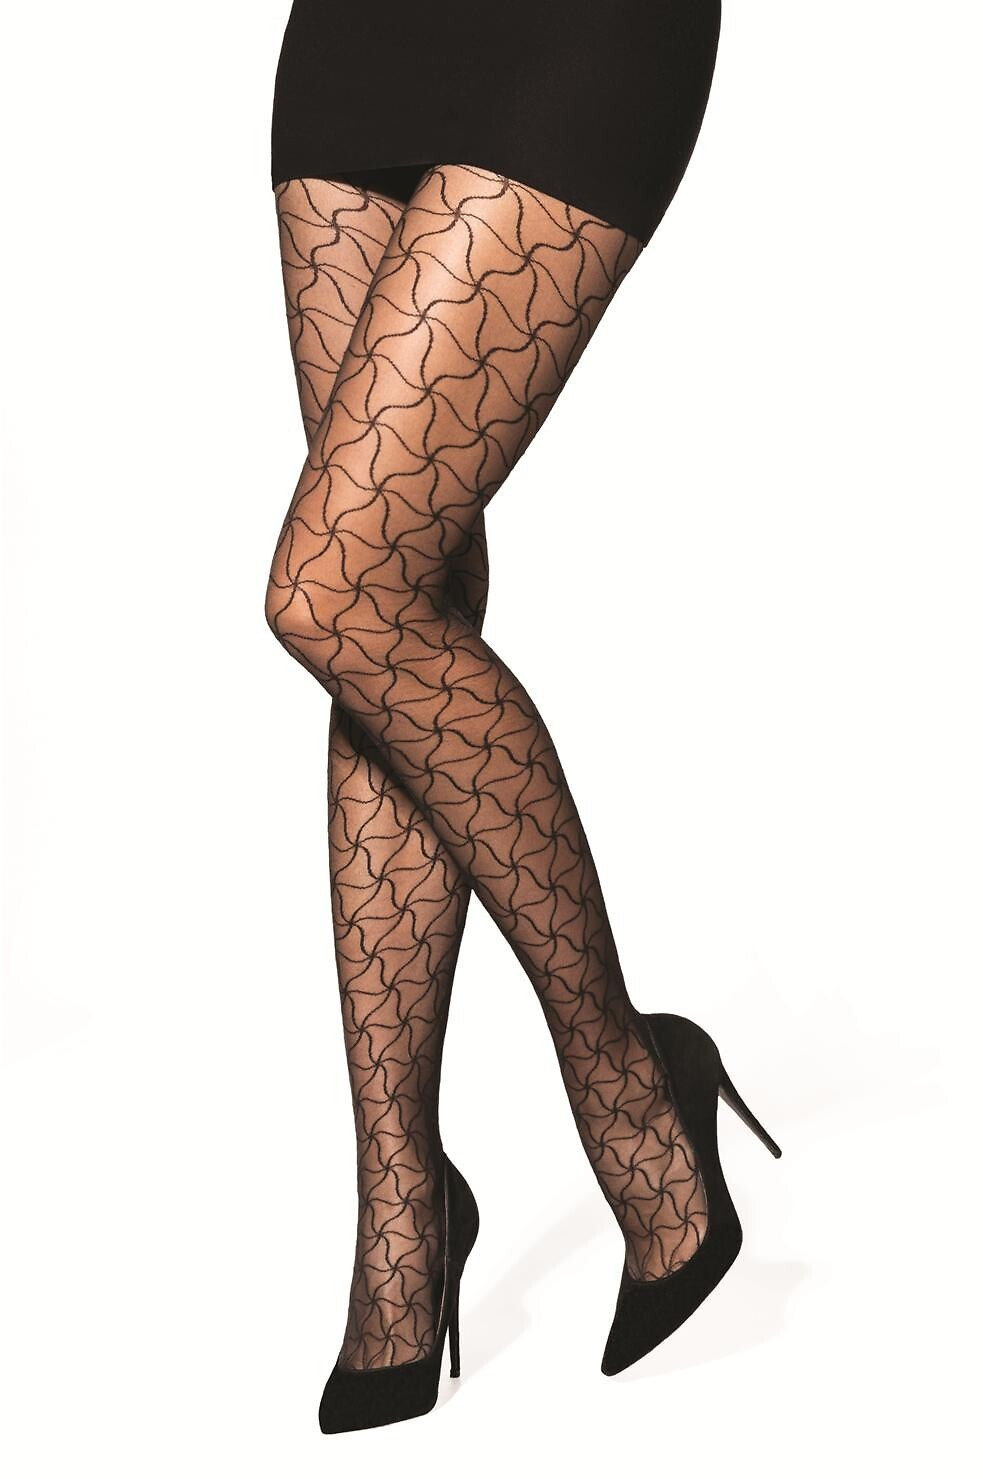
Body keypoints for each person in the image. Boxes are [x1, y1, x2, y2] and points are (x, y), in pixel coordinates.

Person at [265, 0, 781, 1432]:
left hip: (573, 30)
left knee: (339, 588)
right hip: (355, 34)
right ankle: (401, 1213)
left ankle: (628, 1080)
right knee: (394, 607)